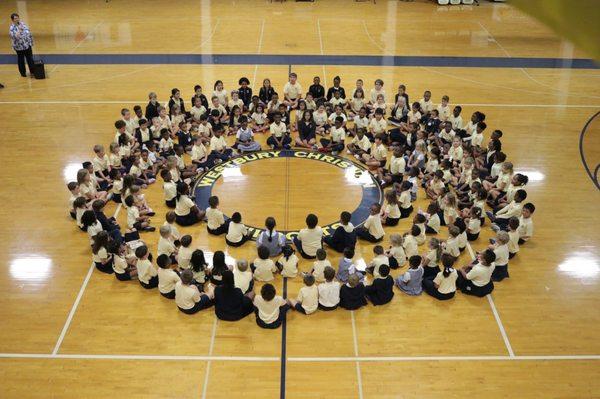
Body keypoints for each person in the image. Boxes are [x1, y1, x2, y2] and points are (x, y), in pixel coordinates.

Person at [9, 13, 34, 78]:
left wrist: (31, 42)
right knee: (21, 60)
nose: (17, 19)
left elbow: (29, 32)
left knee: (30, 59)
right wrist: (19, 30)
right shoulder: (12, 28)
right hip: (19, 47)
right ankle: (23, 73)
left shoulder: (22, 24)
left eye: (18, 18)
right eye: (15, 18)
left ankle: (32, 72)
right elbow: (14, 37)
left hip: (27, 45)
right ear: (12, 20)